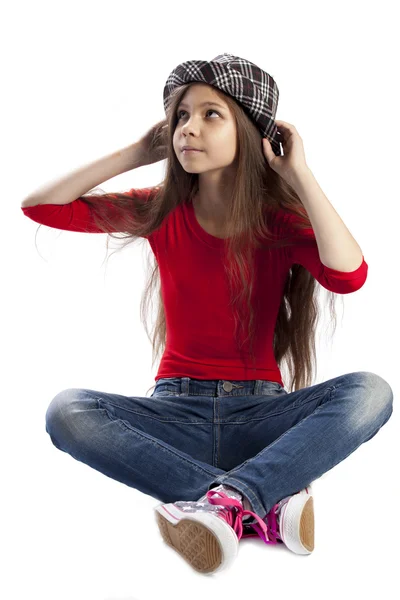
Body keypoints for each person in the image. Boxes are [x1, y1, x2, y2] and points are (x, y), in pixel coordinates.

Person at [21, 53, 393, 575]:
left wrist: (299, 173)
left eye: (210, 115)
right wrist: (134, 152)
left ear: (249, 131)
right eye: (181, 117)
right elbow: (41, 208)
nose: (187, 129)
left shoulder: (277, 224)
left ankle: (225, 500)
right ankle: (257, 500)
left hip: (261, 416)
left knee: (372, 390)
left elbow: (349, 275)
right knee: (67, 411)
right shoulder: (160, 211)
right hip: (175, 415)